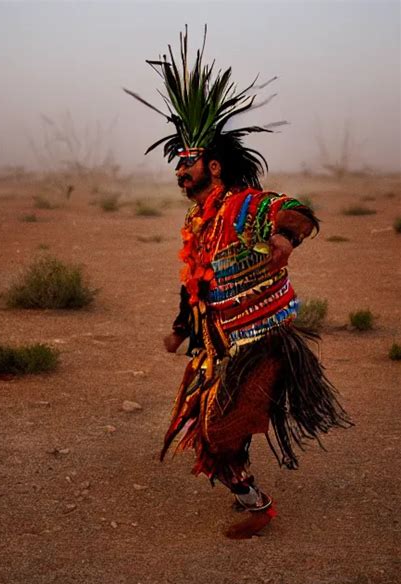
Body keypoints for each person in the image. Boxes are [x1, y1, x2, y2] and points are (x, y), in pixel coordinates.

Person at [126, 27, 351, 520]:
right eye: (177, 168)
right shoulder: (196, 220)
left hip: (262, 340)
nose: (179, 175)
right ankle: (248, 493)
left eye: (187, 165)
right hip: (217, 345)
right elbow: (196, 280)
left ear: (214, 165)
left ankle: (254, 503)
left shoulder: (245, 206)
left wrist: (286, 238)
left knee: (217, 428)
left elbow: (294, 209)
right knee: (211, 427)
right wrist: (182, 328)